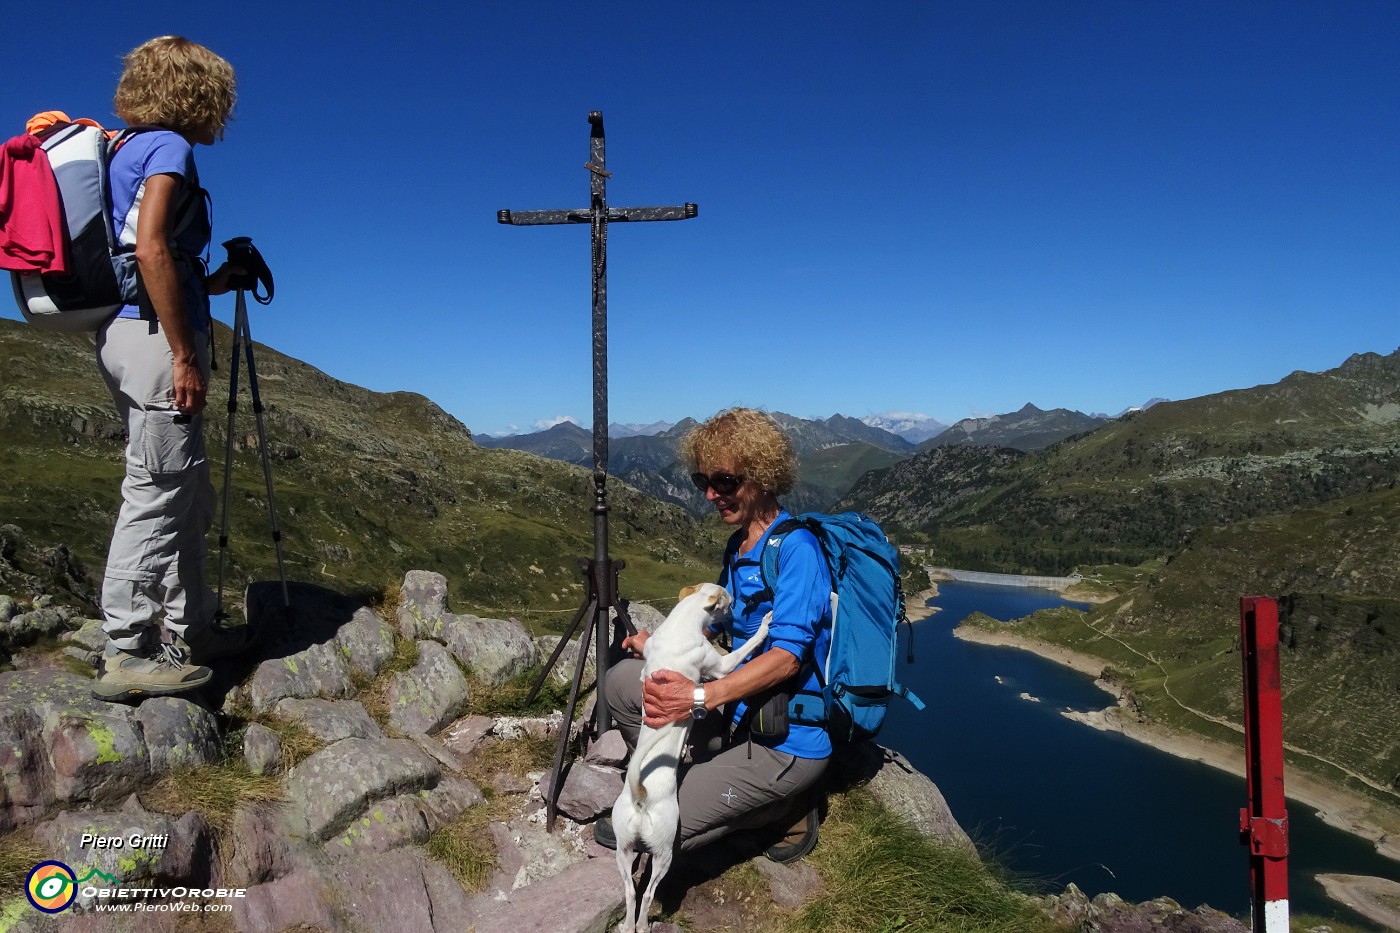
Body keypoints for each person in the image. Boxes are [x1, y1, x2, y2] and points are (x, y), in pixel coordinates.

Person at [598, 407, 833, 861]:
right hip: (737, 712)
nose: (710, 494)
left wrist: (699, 699)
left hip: (786, 738)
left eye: (724, 481)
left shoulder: (798, 550)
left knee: (653, 836)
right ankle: (688, 769)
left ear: (762, 476)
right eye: (701, 481)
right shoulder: (740, 545)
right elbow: (720, 627)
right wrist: (663, 645)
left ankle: (785, 809)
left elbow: (786, 657)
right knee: (621, 685)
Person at [92, 36, 250, 701]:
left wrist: (217, 281)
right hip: (157, 344)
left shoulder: (121, 148)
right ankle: (127, 648)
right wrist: (186, 354)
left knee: (188, 491)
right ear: (196, 90)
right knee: (157, 491)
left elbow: (151, 259)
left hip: (128, 332)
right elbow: (152, 248)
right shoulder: (168, 148)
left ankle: (192, 625)